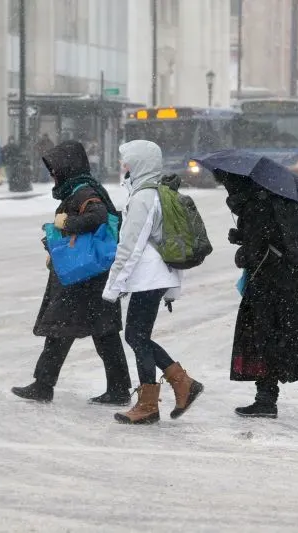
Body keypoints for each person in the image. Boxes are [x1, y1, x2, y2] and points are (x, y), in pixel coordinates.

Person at [12, 140, 132, 404]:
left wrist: (67, 222)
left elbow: (97, 217)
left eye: (55, 168)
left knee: (69, 330)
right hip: (89, 275)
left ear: (68, 166)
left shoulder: (83, 190)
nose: (52, 174)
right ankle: (117, 388)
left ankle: (46, 385)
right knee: (97, 332)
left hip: (83, 278)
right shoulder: (80, 188)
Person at [218, 175, 298, 419]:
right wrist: (243, 236)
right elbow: (271, 237)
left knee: (275, 338)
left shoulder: (255, 206)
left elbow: (257, 250)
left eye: (228, 183)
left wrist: (242, 253)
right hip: (282, 281)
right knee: (275, 337)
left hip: (270, 284)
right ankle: (267, 399)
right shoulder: (267, 200)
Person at [103, 140, 203, 425]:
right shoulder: (152, 192)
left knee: (136, 336)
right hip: (154, 276)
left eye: (127, 161)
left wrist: (113, 286)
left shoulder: (144, 197)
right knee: (138, 336)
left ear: (140, 163)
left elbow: (130, 245)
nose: (123, 166)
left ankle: (151, 403)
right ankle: (180, 384)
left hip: (149, 277)